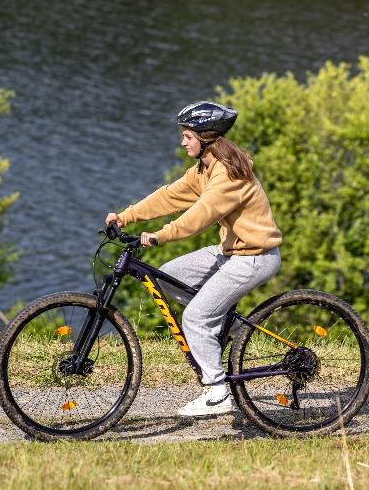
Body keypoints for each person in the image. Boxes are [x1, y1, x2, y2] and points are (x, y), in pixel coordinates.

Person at [105, 101, 282, 416]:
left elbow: (202, 215)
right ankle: (214, 326)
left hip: (253, 256)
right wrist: (126, 217)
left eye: (188, 136)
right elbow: (170, 195)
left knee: (195, 318)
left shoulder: (228, 174)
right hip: (229, 251)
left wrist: (163, 235)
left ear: (207, 137)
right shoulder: (205, 167)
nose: (183, 142)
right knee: (164, 277)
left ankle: (217, 392)